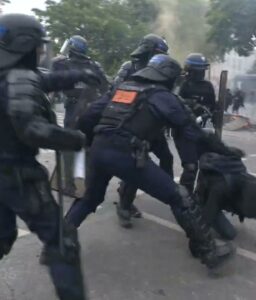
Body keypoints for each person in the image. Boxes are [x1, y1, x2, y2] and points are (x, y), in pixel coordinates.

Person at [65, 54, 236, 271]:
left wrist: (96, 145)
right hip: (126, 153)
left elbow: (88, 117)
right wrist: (227, 151)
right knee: (179, 196)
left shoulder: (122, 87)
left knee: (89, 198)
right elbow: (196, 133)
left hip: (99, 149)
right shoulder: (164, 96)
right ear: (168, 78)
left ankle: (56, 245)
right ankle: (209, 252)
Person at [0, 14, 88, 299]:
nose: (41, 53)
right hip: (16, 173)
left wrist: (78, 74)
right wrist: (73, 139)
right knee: (61, 241)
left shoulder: (10, 75)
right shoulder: (19, 77)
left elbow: (42, 81)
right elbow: (32, 128)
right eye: (38, 47)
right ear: (24, 46)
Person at [113, 34, 173, 226]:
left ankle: (168, 192)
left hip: (154, 126)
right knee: (137, 165)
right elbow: (116, 93)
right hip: (133, 126)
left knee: (167, 158)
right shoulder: (128, 68)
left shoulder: (161, 72)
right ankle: (124, 205)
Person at [52, 35, 109, 196]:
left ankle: (69, 185)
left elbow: (53, 85)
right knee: (89, 146)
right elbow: (105, 87)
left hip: (73, 109)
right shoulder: (94, 65)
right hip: (91, 109)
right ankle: (89, 183)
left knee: (69, 146)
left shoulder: (61, 64)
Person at [195, 152, 256, 252]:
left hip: (230, 198)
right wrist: (200, 240)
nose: (254, 214)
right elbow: (208, 215)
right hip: (208, 193)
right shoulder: (220, 189)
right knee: (229, 234)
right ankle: (196, 209)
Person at [176, 53, 216, 194]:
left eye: (203, 71)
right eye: (199, 71)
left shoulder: (208, 86)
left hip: (202, 129)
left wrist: (209, 113)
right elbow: (174, 102)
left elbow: (212, 106)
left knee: (206, 164)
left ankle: (200, 195)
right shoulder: (182, 85)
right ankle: (184, 198)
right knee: (190, 167)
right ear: (190, 70)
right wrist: (191, 105)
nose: (201, 74)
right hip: (183, 130)